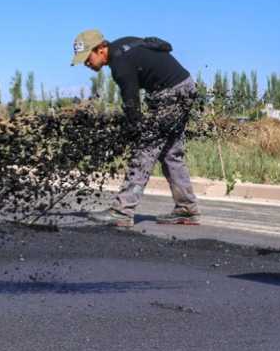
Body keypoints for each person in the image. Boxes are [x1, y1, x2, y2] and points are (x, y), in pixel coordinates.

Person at [70, 29, 201, 228]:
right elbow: (164, 46)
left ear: (100, 49)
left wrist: (134, 130)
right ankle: (187, 208)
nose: (86, 64)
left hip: (171, 94)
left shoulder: (120, 65)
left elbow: (132, 106)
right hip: (184, 88)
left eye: (87, 57)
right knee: (170, 152)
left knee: (144, 151)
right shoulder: (125, 43)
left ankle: (122, 210)